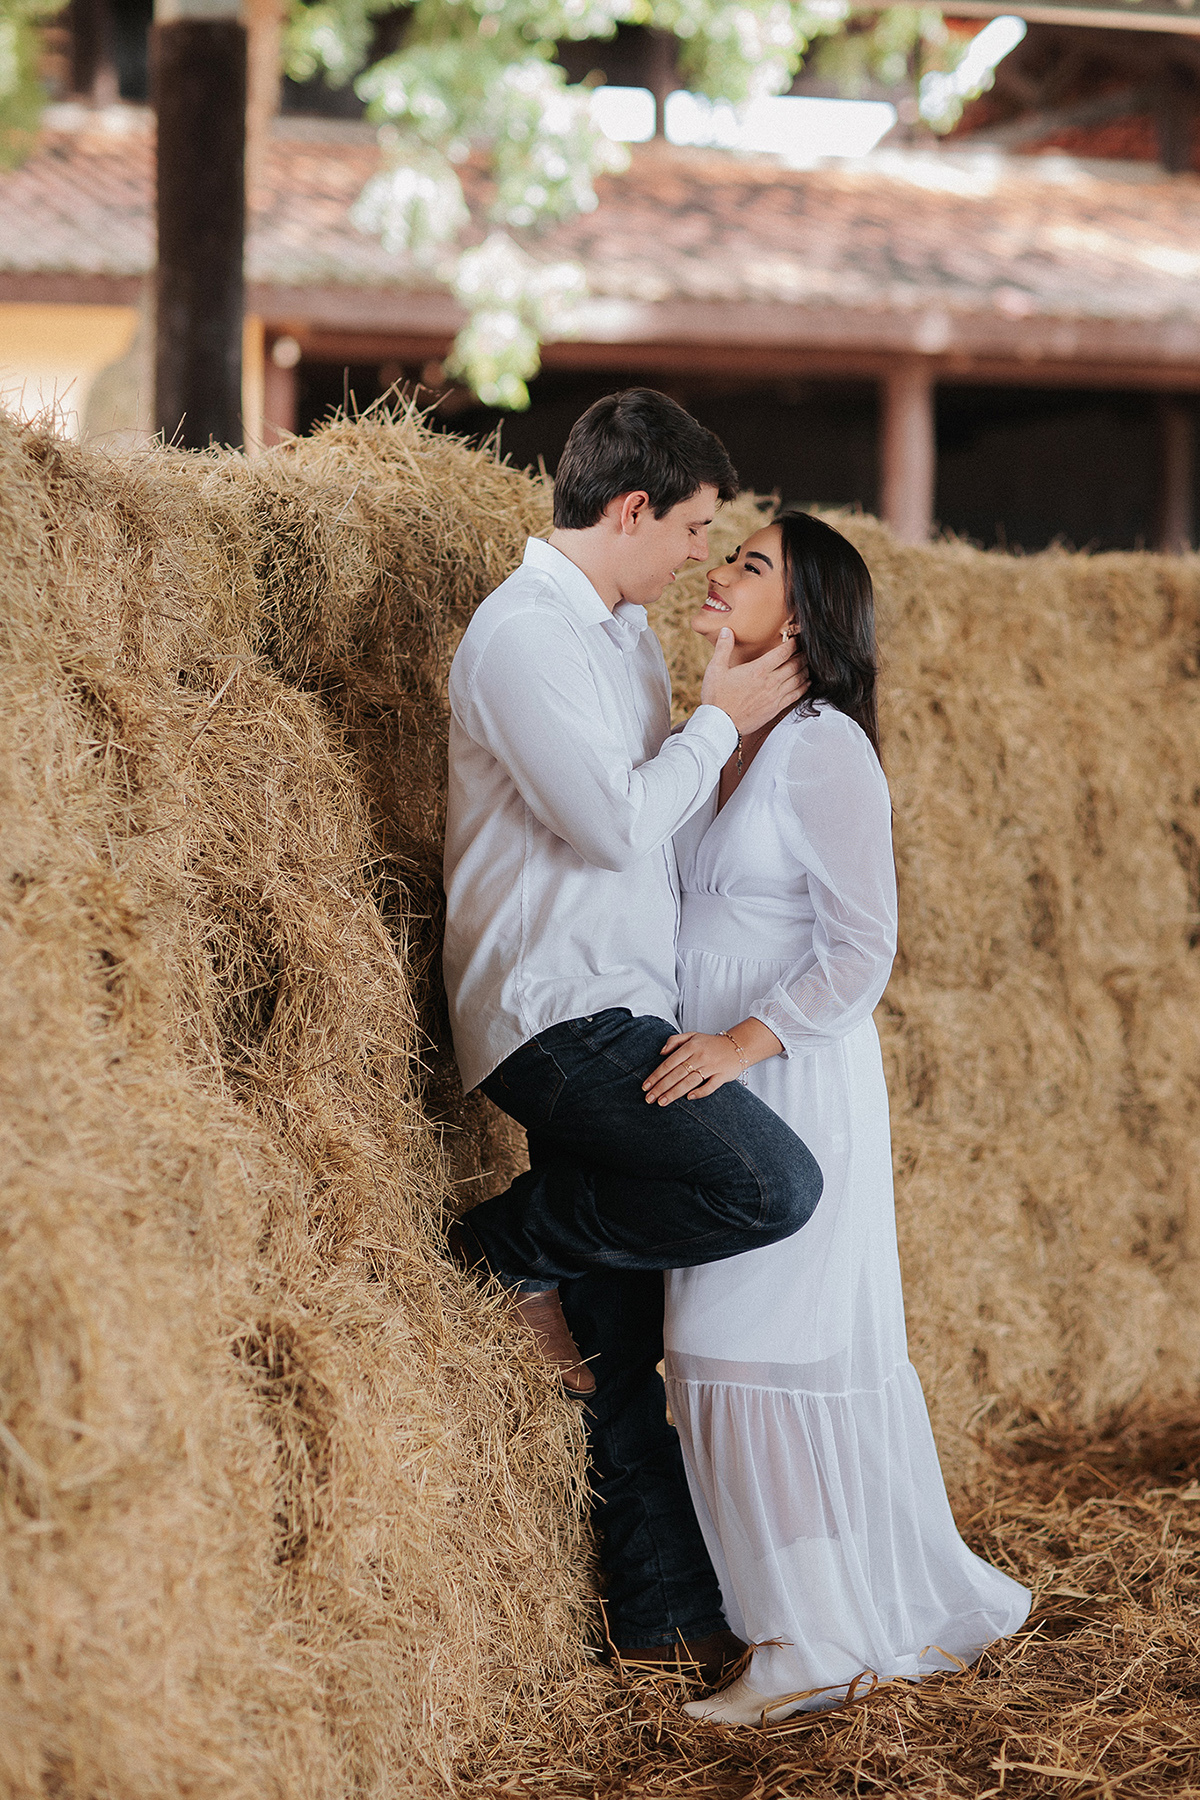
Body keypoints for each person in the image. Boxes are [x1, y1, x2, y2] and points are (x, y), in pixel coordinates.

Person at [442, 390, 824, 1682]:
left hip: (627, 1003)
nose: (699, 560)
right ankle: (502, 1245)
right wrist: (721, 711)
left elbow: (658, 816)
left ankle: (661, 1625)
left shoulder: (614, 638)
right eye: (697, 530)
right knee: (771, 1184)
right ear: (631, 508)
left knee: (617, 1350)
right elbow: (612, 824)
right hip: (555, 1010)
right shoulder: (520, 639)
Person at [642, 511, 1031, 1724]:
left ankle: (805, 1643)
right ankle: (805, 1623)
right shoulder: (718, 738)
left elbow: (865, 948)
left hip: (789, 1081)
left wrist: (741, 1042)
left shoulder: (824, 749)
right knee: (709, 1351)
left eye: (750, 564)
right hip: (708, 1083)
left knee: (751, 1349)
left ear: (803, 617)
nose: (720, 568)